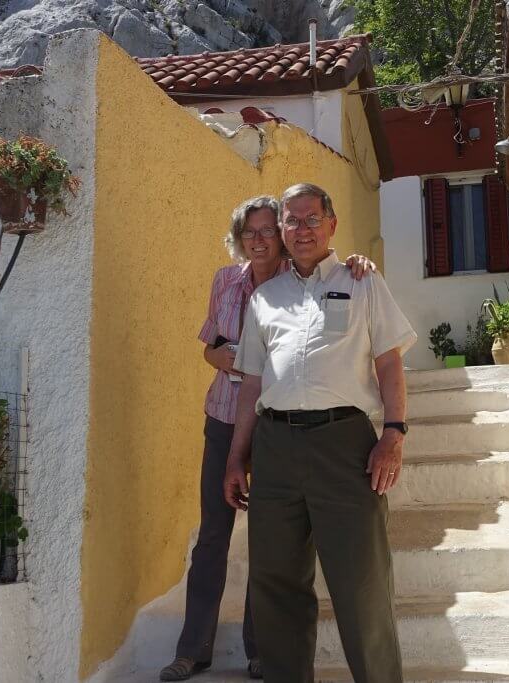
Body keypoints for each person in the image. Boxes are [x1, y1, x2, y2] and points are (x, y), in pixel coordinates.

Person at [159, 195, 376, 682]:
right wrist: (249, 362)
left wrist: (246, 363)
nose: (257, 241)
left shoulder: (294, 282)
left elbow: (296, 348)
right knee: (212, 535)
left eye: (266, 231)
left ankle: (263, 650)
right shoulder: (225, 281)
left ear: (280, 235)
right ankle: (193, 648)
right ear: (239, 239)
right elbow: (210, 350)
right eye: (248, 233)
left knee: (271, 544)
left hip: (276, 426)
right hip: (223, 418)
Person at [224, 183, 416, 683]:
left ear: (331, 224)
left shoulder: (363, 283)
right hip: (275, 448)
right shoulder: (264, 299)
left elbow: (390, 363)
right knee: (276, 583)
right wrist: (235, 457)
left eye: (312, 219)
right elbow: (251, 384)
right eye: (292, 221)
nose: (302, 229)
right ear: (283, 232)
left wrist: (393, 434)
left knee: (362, 584)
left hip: (345, 447)